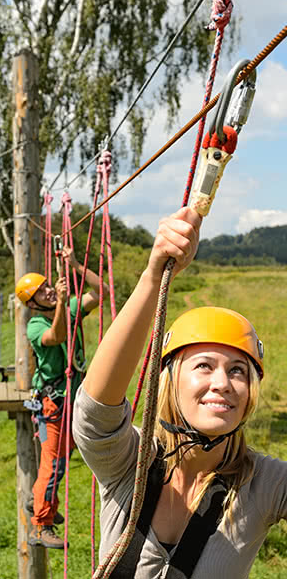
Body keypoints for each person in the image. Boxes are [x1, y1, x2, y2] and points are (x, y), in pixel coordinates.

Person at [73, 207, 287, 578]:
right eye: (203, 365)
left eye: (238, 370)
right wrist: (152, 277)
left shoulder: (265, 484)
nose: (222, 382)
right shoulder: (128, 464)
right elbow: (96, 410)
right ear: (170, 381)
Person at [15, 246, 109, 549]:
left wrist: (76, 265)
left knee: (60, 460)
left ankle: (42, 502)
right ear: (33, 304)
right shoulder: (35, 325)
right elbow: (55, 337)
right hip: (53, 401)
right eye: (41, 292)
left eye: (47, 286)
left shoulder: (67, 307)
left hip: (71, 397)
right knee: (53, 463)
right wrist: (61, 305)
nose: (48, 291)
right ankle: (40, 525)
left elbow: (102, 292)